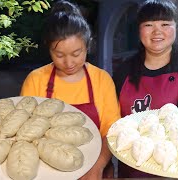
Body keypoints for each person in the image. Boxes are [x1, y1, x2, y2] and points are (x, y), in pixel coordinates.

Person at [20, 1, 120, 179]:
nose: (69, 63)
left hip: (97, 167)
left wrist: (97, 166)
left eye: (76, 53)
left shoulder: (101, 79)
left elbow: (112, 130)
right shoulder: (36, 79)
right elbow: (25, 133)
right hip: (48, 171)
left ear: (88, 46)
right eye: (59, 55)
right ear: (49, 48)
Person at [113, 0, 178, 178]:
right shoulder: (123, 71)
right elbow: (113, 122)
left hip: (177, 170)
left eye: (165, 24)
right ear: (139, 31)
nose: (157, 31)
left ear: (176, 28)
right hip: (132, 169)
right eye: (148, 24)